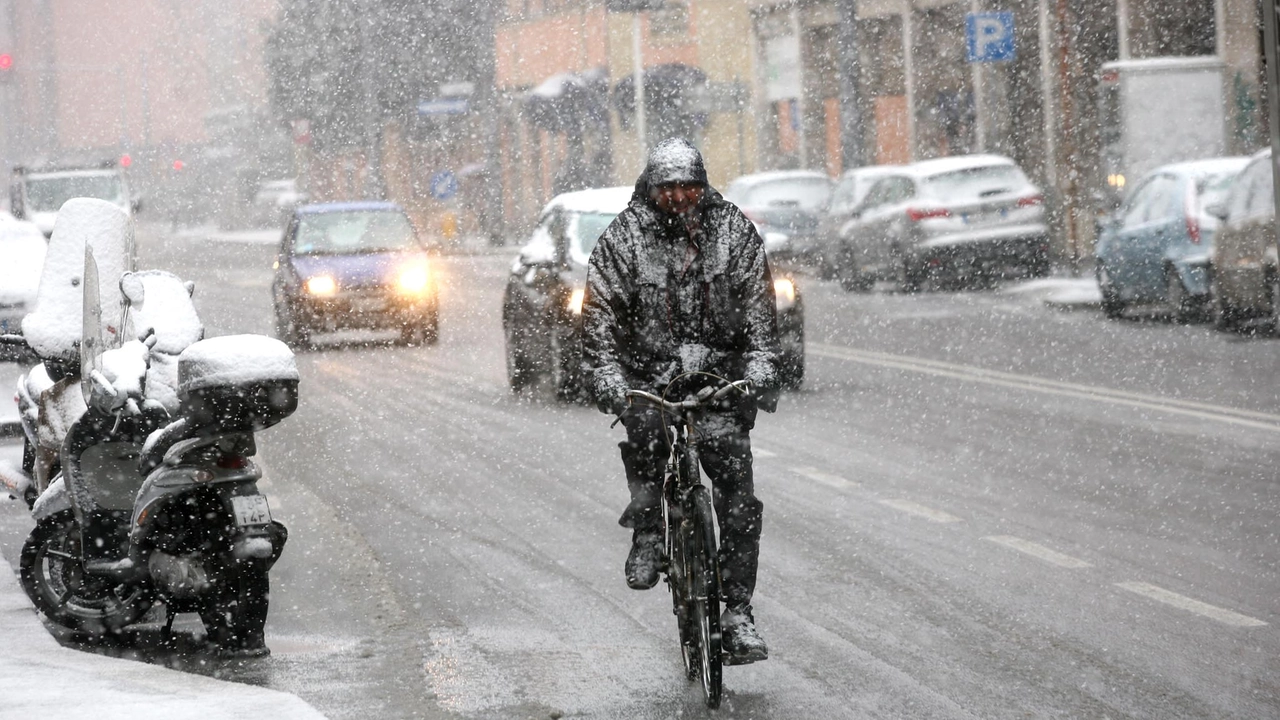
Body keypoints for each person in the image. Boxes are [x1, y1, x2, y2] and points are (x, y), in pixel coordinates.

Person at [581, 137, 781, 664]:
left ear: (703, 185)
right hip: (650, 379)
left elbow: (759, 306)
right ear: (651, 187)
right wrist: (608, 375)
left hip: (719, 379)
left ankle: (737, 613)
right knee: (646, 439)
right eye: (668, 187)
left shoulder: (733, 231)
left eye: (688, 186)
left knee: (738, 493)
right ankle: (648, 531)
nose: (679, 197)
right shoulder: (622, 241)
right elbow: (599, 316)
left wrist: (759, 364)